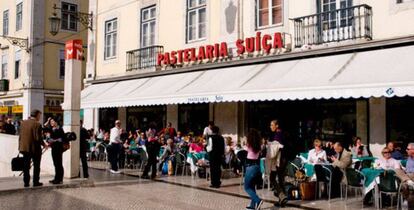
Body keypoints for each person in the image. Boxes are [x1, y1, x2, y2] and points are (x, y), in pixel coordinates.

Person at [267, 119, 293, 206]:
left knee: (272, 178)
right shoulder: (282, 134)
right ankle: (282, 200)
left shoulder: (278, 135)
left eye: (272, 125)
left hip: (279, 160)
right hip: (284, 159)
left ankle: (282, 196)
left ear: (277, 125)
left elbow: (274, 151)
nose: (270, 127)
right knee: (281, 179)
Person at [19, 109, 46, 187]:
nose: (40, 117)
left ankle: (26, 182)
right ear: (37, 115)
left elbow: (21, 135)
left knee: (26, 166)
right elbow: (38, 138)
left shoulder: (23, 123)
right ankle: (35, 181)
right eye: (40, 115)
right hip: (35, 149)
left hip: (24, 148)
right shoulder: (37, 125)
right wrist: (44, 144)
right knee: (36, 166)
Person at [244, 129, 264, 210]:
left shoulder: (249, 145)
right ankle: (253, 205)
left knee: (247, 187)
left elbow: (244, 148)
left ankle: (258, 200)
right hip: (257, 167)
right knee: (252, 187)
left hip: (250, 167)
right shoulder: (259, 146)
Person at [44, 117, 65, 184]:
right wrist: (48, 120)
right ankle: (56, 178)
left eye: (53, 121)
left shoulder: (60, 129)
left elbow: (63, 139)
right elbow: (43, 127)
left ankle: (60, 179)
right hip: (53, 148)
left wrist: (56, 140)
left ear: (56, 122)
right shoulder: (51, 129)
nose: (51, 123)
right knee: (55, 164)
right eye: (51, 122)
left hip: (59, 148)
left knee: (59, 163)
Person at [395, 143, 414, 208]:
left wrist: (407, 172)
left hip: (413, 175)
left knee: (404, 184)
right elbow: (408, 169)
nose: (406, 150)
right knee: (397, 170)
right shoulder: (409, 158)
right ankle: (408, 181)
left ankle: (406, 201)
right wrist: (403, 169)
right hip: (408, 176)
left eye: (408, 149)